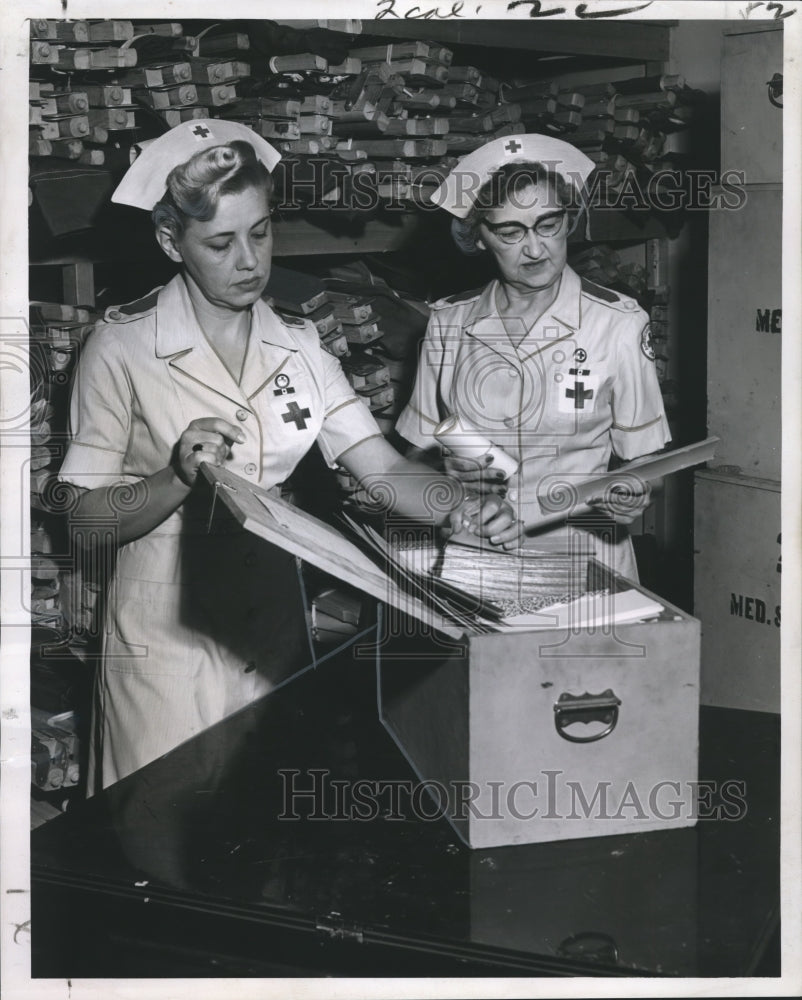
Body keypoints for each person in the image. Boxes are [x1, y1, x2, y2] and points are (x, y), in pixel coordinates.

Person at [58, 120, 522, 792]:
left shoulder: (301, 344)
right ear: (170, 241)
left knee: (263, 844)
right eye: (220, 242)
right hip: (162, 637)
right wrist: (174, 477)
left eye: (261, 231)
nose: (249, 261)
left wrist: (463, 510)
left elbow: (383, 469)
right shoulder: (122, 347)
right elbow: (82, 522)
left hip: (272, 625)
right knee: (155, 844)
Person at [396, 134, 671, 581]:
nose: (536, 249)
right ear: (478, 237)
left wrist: (636, 489)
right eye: (510, 232)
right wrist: (454, 490)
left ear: (568, 221)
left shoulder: (616, 323)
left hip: (584, 562)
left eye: (549, 224)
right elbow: (417, 453)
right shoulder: (448, 323)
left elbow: (647, 463)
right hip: (479, 557)